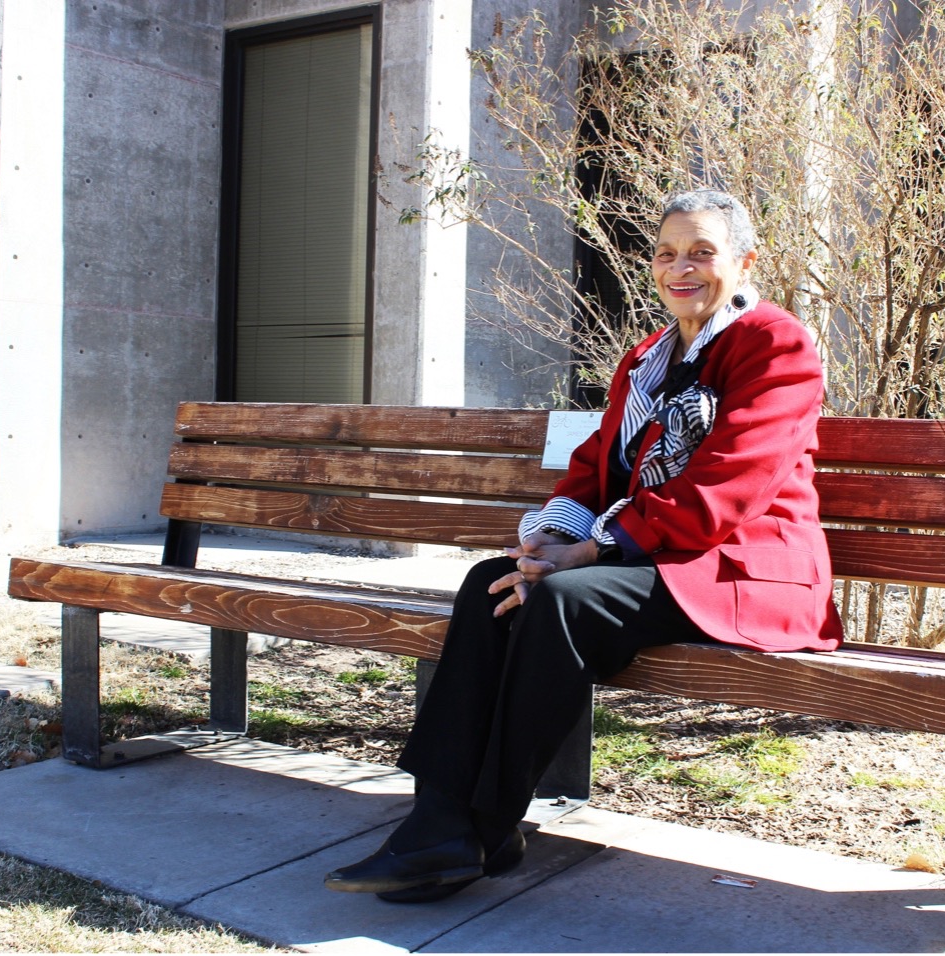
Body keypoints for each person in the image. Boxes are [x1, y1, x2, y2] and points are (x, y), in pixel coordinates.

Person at [324, 188, 843, 902]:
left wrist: (592, 552)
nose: (679, 267)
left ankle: (484, 826)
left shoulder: (774, 342)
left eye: (701, 252)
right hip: (660, 561)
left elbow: (733, 483)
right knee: (492, 583)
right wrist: (549, 539)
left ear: (744, 261)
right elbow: (600, 460)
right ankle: (438, 821)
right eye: (666, 253)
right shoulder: (649, 360)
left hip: (740, 571)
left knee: (564, 599)